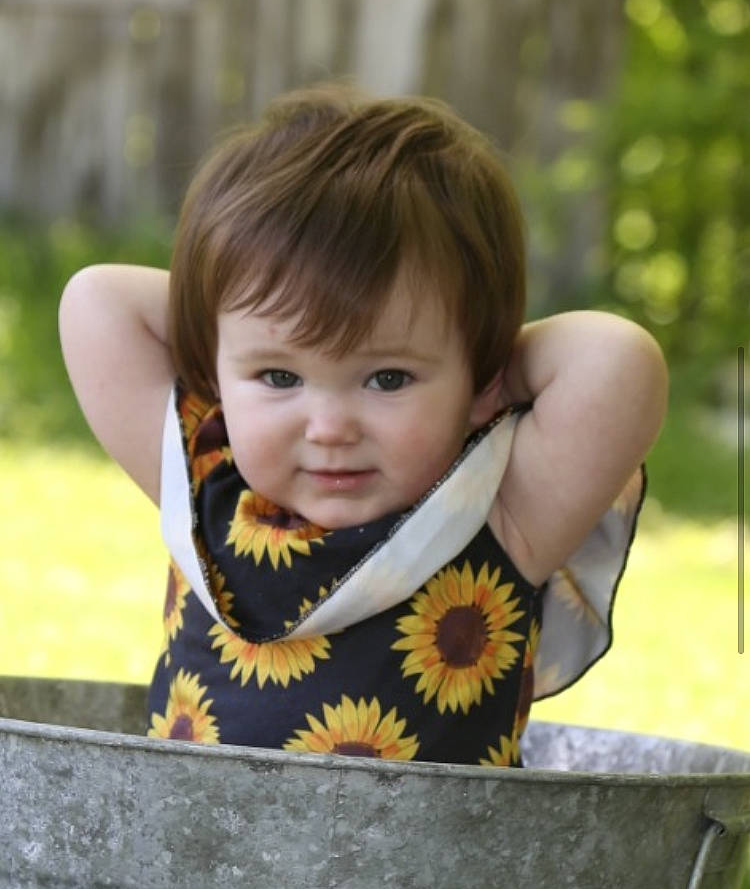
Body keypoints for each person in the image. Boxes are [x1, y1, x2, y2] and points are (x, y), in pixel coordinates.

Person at [59, 82, 667, 766]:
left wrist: (481, 366)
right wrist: (233, 307)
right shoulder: (204, 495)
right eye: (281, 377)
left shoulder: (496, 518)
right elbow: (95, 302)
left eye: (388, 378)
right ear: (217, 370)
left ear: (482, 379)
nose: (329, 427)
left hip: (435, 873)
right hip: (189, 863)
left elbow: (620, 363)